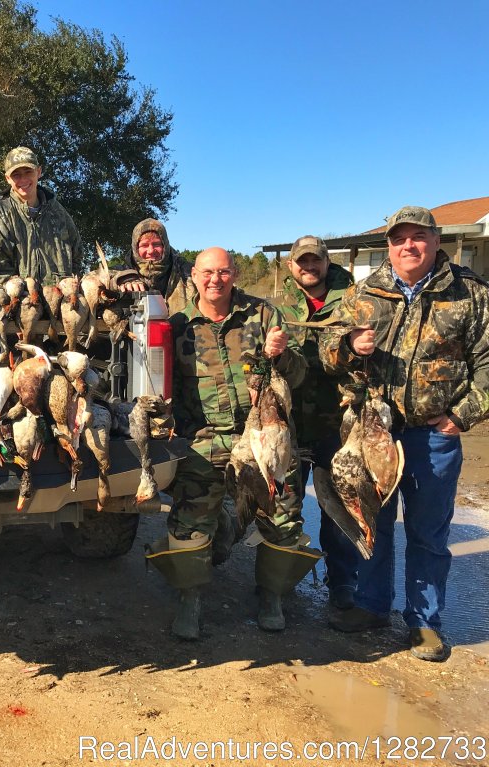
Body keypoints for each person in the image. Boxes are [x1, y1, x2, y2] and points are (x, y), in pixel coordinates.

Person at [320, 206, 489, 662]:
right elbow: (326, 349)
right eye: (400, 239)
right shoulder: (364, 293)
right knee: (371, 522)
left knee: (428, 533)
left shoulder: (470, 293)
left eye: (418, 237)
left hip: (432, 436)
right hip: (371, 434)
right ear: (389, 246)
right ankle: (373, 606)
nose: (408, 246)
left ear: (437, 241)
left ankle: (424, 624)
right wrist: (347, 344)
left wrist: (463, 414)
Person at [147, 247, 313, 640]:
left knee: (283, 514)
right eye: (207, 272)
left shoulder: (264, 315)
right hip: (206, 437)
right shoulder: (179, 324)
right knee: (189, 520)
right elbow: (163, 384)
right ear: (194, 276)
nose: (215, 280)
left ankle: (272, 597)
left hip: (263, 433)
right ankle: (190, 599)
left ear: (234, 274)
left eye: (223, 272)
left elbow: (299, 375)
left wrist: (283, 355)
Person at [275, 235, 358, 611]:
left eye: (315, 261)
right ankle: (281, 578)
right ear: (291, 266)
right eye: (301, 261)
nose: (308, 267)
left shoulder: (356, 300)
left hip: (336, 425)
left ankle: (342, 583)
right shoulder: (278, 308)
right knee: (285, 505)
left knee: (337, 508)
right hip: (291, 423)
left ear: (327, 262)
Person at [0, 146, 82, 286]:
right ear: (7, 178)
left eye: (28, 171)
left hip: (60, 299)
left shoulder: (58, 213)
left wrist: (67, 289)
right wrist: (21, 292)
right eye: (16, 174)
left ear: (38, 172)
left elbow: (76, 254)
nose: (23, 179)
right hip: (20, 301)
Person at [111, 218, 194, 310]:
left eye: (156, 244)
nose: (150, 251)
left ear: (165, 245)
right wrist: (120, 279)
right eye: (144, 245)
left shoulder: (187, 271)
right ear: (135, 248)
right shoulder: (121, 271)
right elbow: (94, 279)